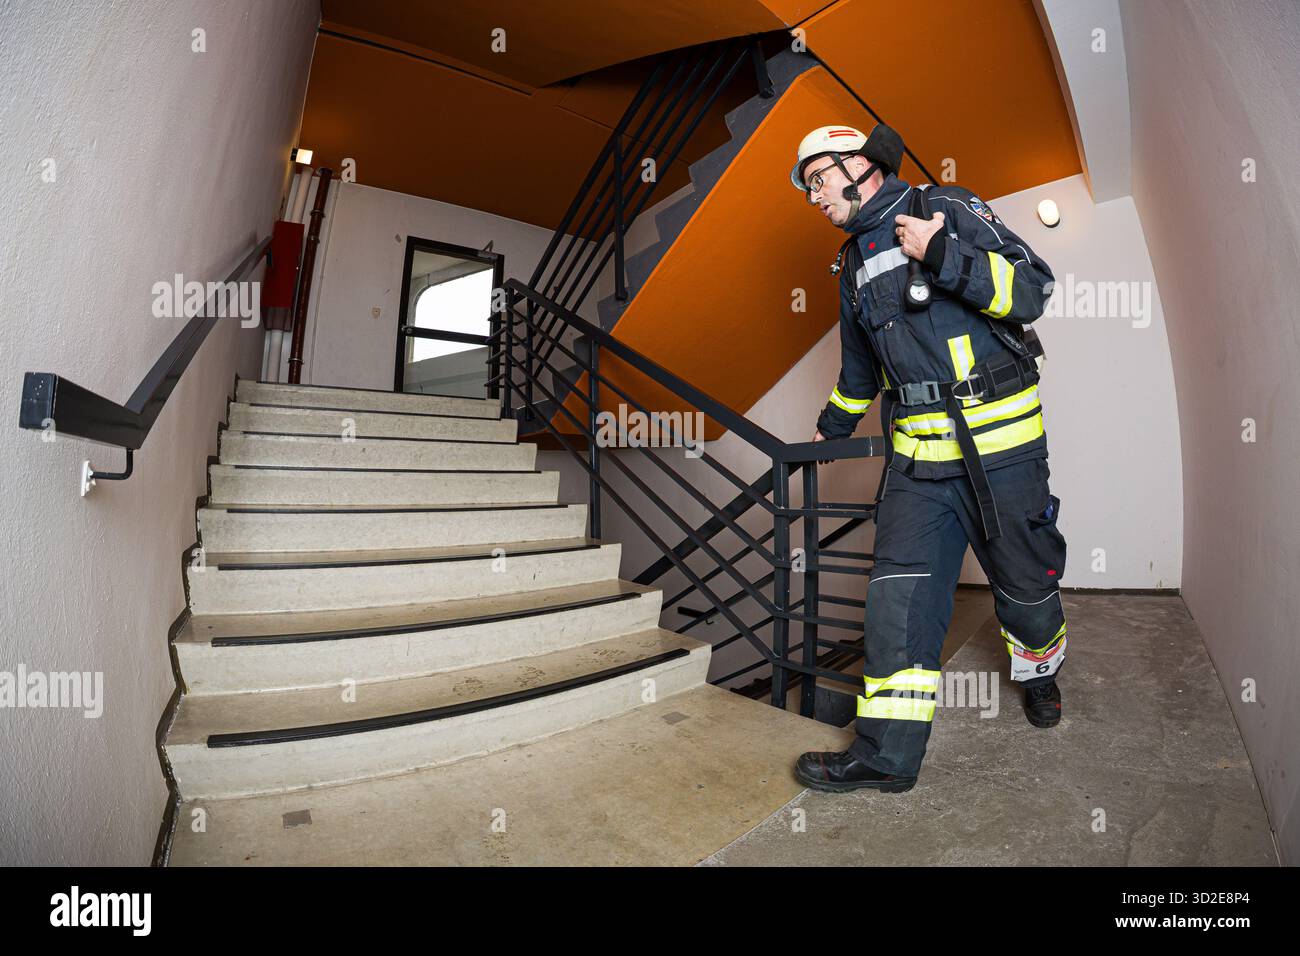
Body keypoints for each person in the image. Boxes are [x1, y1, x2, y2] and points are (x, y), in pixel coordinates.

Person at [790, 124, 1068, 793]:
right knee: (897, 606)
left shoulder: (947, 206)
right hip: (918, 469)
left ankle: (1040, 673)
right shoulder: (853, 264)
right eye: (807, 189)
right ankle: (885, 756)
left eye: (817, 179)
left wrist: (945, 254)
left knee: (1027, 593)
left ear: (856, 164)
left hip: (1005, 454)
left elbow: (1033, 290)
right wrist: (830, 428)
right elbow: (860, 370)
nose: (813, 197)